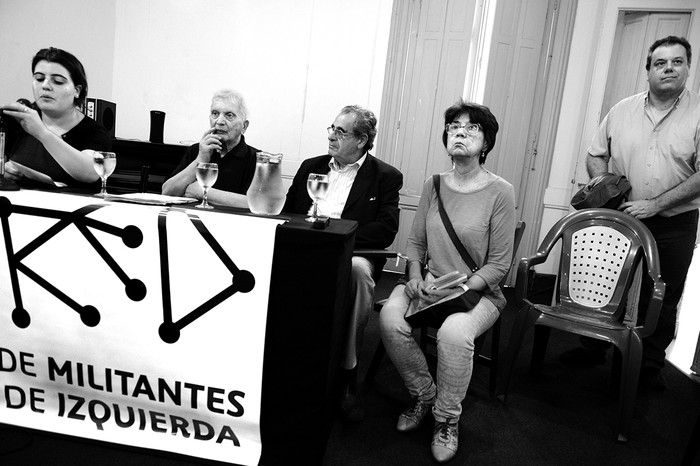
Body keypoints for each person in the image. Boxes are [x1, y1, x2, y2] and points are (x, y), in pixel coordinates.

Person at [560, 36, 700, 392]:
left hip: (675, 224)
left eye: (677, 62)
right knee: (607, 286)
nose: (669, 68)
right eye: (660, 62)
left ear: (687, 66)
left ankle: (647, 368)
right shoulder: (621, 110)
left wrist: (656, 204)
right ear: (648, 70)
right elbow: (595, 154)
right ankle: (594, 347)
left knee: (662, 296)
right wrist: (605, 188)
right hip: (622, 219)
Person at [379, 100, 515, 463]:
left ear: (486, 143)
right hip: (431, 284)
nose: (460, 131)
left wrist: (460, 289)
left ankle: (446, 419)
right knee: (390, 320)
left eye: (472, 128)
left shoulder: (500, 191)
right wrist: (412, 277)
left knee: (453, 334)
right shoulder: (434, 184)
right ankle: (424, 394)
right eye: (454, 125)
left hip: (477, 293)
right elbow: (415, 243)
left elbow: (500, 264)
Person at [284, 105, 403, 422]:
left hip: (349, 253)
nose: (332, 136)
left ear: (362, 140)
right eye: (331, 129)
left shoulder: (385, 177)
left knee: (359, 272)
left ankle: (347, 371)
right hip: (306, 248)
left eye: (341, 131)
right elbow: (289, 212)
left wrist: (338, 236)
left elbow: (385, 229)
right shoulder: (312, 166)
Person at [1, 47, 110, 189]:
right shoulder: (17, 119)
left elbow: (90, 173)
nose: (45, 86)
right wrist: (3, 169)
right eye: (39, 79)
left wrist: (41, 132)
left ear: (77, 91)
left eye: (58, 81)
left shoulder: (93, 131)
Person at [162, 89, 258, 207]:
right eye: (215, 113)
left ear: (244, 126)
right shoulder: (196, 150)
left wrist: (200, 191)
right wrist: (200, 159)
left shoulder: (256, 159)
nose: (219, 121)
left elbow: (257, 204)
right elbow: (166, 192)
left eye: (229, 115)